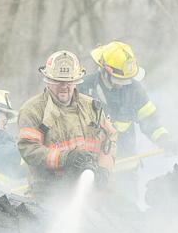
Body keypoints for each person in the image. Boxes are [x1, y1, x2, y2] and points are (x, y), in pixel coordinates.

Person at [78, 41, 178, 197]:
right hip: (90, 171)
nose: (123, 85)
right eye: (119, 80)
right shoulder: (84, 88)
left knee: (127, 216)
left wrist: (164, 139)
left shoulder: (134, 90)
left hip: (124, 172)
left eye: (127, 80)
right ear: (105, 70)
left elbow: (150, 122)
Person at [17, 50, 117, 199]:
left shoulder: (91, 107)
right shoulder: (33, 110)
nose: (64, 86)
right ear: (48, 80)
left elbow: (110, 139)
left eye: (69, 81)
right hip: (48, 191)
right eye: (58, 81)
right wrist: (66, 159)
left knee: (126, 215)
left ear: (76, 81)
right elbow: (29, 150)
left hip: (90, 190)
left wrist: (103, 169)